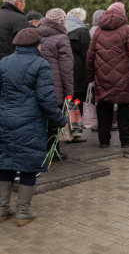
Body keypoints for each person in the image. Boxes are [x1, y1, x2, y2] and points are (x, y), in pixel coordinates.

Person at [0, 28, 68, 226]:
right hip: (30, 122)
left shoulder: (4, 62)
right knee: (28, 165)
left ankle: (1, 209)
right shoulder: (41, 64)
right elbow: (46, 99)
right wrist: (61, 120)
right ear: (37, 45)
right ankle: (23, 212)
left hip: (5, 119)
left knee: (6, 161)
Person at [86, 2, 129, 147]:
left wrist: (89, 77)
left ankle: (104, 141)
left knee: (104, 107)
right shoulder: (128, 30)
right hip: (124, 78)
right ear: (122, 13)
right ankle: (125, 140)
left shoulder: (98, 31)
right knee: (125, 108)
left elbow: (90, 56)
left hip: (102, 77)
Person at [38, 8, 74, 159]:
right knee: (54, 120)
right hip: (55, 86)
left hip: (38, 84)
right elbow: (66, 68)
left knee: (39, 118)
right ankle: (53, 151)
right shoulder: (62, 39)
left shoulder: (36, 34)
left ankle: (39, 149)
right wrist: (69, 93)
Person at [66, 8, 91, 113]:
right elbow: (87, 56)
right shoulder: (83, 32)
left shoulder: (61, 30)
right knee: (78, 103)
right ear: (81, 19)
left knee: (66, 104)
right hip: (80, 74)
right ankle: (76, 122)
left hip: (64, 71)